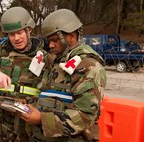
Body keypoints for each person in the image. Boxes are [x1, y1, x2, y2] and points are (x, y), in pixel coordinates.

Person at [20, 9, 107, 141]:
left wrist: (41, 119)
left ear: (71, 36)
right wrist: (28, 104)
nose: (50, 45)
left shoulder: (89, 67)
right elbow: (49, 96)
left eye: (55, 40)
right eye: (49, 40)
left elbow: (85, 116)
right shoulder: (54, 61)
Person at [0, 7, 46, 142]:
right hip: (0, 123)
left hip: (29, 125)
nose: (16, 38)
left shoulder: (44, 54)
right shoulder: (0, 51)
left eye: (20, 33)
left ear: (29, 30)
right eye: (11, 34)